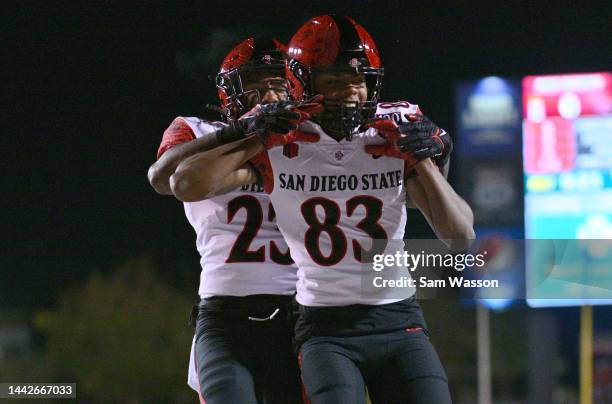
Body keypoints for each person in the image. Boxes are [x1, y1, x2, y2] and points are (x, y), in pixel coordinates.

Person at [171, 15, 474, 404]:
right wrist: (256, 134)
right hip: (322, 326)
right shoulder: (284, 141)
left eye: (358, 80)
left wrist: (425, 158)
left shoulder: (391, 130)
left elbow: (460, 238)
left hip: (398, 317)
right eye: (333, 81)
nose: (349, 93)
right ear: (304, 84)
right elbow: (185, 183)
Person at [147, 37, 316, 404]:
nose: (270, 94)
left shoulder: (314, 140)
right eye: (257, 85)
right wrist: (244, 131)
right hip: (226, 314)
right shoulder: (198, 131)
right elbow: (162, 179)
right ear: (231, 94)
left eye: (279, 84)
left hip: (302, 312)